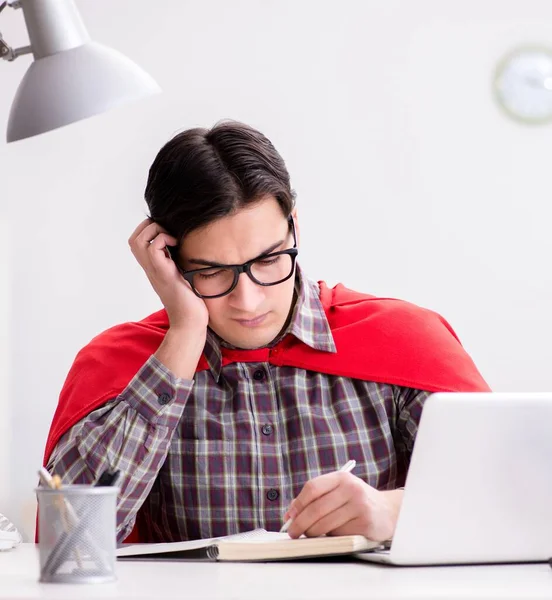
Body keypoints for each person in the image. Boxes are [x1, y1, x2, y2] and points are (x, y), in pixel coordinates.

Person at [42, 121, 490, 545]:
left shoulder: (403, 340)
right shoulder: (123, 365)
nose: (249, 300)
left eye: (269, 260)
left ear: (294, 225)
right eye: (213, 272)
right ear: (170, 262)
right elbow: (72, 539)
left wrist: (395, 512)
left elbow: (515, 495)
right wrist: (184, 332)